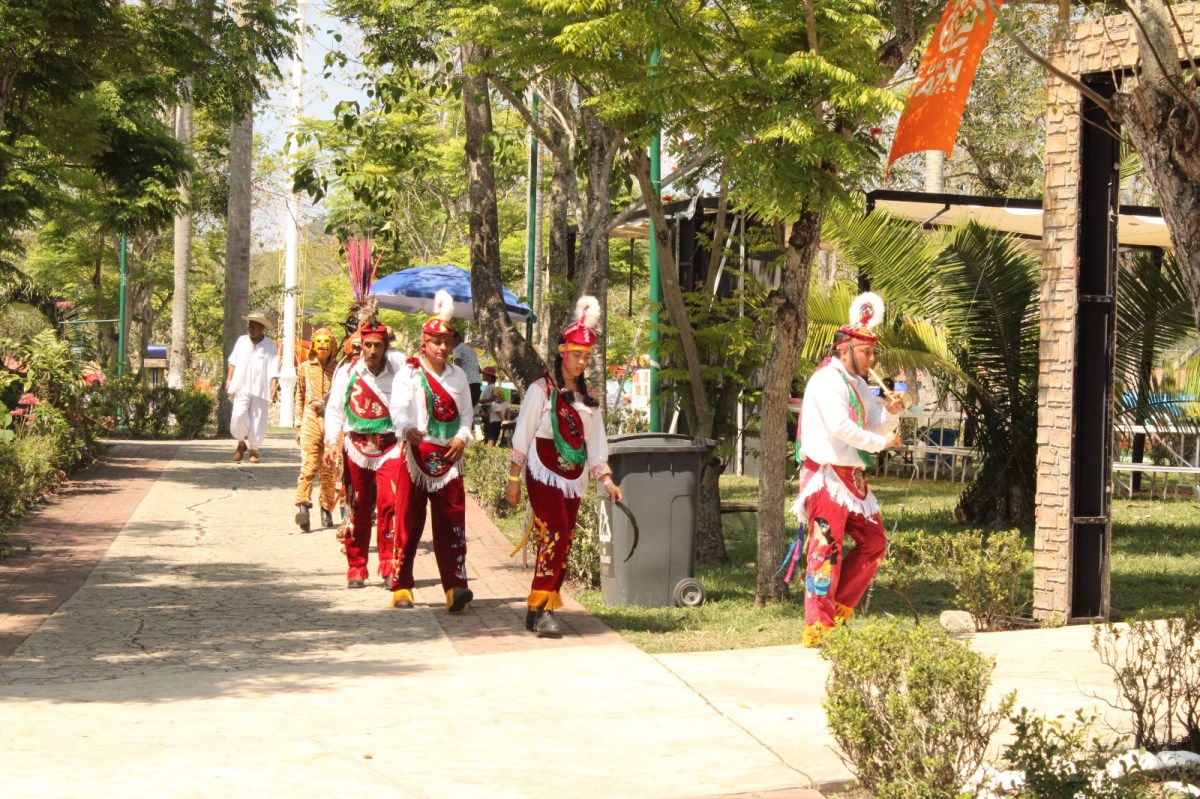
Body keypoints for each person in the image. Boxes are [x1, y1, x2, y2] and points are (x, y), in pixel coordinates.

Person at [505, 296, 623, 638]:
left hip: (573, 476)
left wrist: (608, 480)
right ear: (562, 352)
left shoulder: (589, 399)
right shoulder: (542, 389)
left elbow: (595, 443)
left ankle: (539, 604)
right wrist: (514, 477)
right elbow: (523, 433)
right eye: (576, 354)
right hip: (542, 470)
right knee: (554, 530)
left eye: (586, 356)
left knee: (565, 536)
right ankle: (542, 609)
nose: (581, 362)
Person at [793, 292, 904, 648]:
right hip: (827, 476)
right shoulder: (827, 381)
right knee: (826, 550)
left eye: (873, 352)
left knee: (875, 543)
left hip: (851, 479)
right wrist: (882, 444)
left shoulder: (856, 384)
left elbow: (873, 424)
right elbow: (843, 428)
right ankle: (818, 627)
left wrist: (891, 412)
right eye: (865, 352)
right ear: (845, 350)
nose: (872, 359)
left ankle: (835, 610)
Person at [388, 290, 475, 612]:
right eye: (435, 341)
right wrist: (406, 429)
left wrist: (462, 437)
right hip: (415, 455)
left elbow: (467, 414)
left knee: (452, 525)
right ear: (424, 342)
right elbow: (397, 410)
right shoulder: (408, 374)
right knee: (409, 522)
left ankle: (455, 589)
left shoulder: (459, 376)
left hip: (449, 460)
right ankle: (401, 585)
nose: (441, 347)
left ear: (452, 344)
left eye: (446, 342)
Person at [323, 309, 402, 589]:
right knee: (358, 505)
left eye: (377, 345)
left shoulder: (400, 371)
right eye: (367, 345)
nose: (372, 351)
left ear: (385, 346)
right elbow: (334, 410)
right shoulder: (347, 372)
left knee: (390, 505)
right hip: (356, 447)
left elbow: (411, 406)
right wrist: (332, 442)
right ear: (361, 344)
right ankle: (356, 567)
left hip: (390, 447)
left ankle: (389, 566)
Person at [294, 327, 339, 532]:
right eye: (318, 342)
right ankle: (303, 506)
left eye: (326, 342)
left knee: (329, 470)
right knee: (309, 465)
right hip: (310, 420)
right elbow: (300, 396)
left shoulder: (338, 370)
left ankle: (326, 509)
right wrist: (298, 424)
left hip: (330, 422)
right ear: (313, 344)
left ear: (332, 346)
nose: (322, 345)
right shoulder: (304, 367)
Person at [225, 310, 279, 464]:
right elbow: (232, 362)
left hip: (261, 388)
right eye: (250, 326)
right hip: (241, 386)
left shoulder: (270, 345)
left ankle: (254, 450)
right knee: (239, 414)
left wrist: (273, 386)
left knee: (258, 419)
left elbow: (274, 367)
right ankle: (241, 443)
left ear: (262, 328)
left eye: (255, 326)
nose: (252, 329)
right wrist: (229, 381)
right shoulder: (242, 341)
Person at [451, 331, 482, 408]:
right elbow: (479, 370)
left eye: (450, 340)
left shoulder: (457, 348)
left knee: (461, 413)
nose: (449, 343)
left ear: (457, 338)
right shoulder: (471, 350)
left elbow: (457, 365)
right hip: (477, 385)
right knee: (468, 413)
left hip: (467, 385)